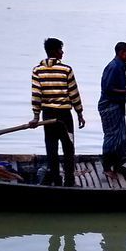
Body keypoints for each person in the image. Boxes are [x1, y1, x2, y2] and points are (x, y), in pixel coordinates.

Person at [29, 38, 85, 187]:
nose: (62, 52)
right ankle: (69, 180)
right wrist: (79, 113)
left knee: (51, 147)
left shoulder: (37, 71)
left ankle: (55, 179)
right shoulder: (66, 70)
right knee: (68, 147)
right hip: (64, 116)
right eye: (60, 49)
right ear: (54, 51)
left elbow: (36, 96)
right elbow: (74, 93)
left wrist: (36, 116)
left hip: (47, 115)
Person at [98, 42, 126, 173]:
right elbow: (108, 89)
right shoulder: (114, 67)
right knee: (111, 136)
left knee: (120, 136)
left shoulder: (121, 66)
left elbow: (117, 87)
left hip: (118, 105)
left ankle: (117, 165)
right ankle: (106, 168)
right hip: (109, 106)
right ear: (121, 53)